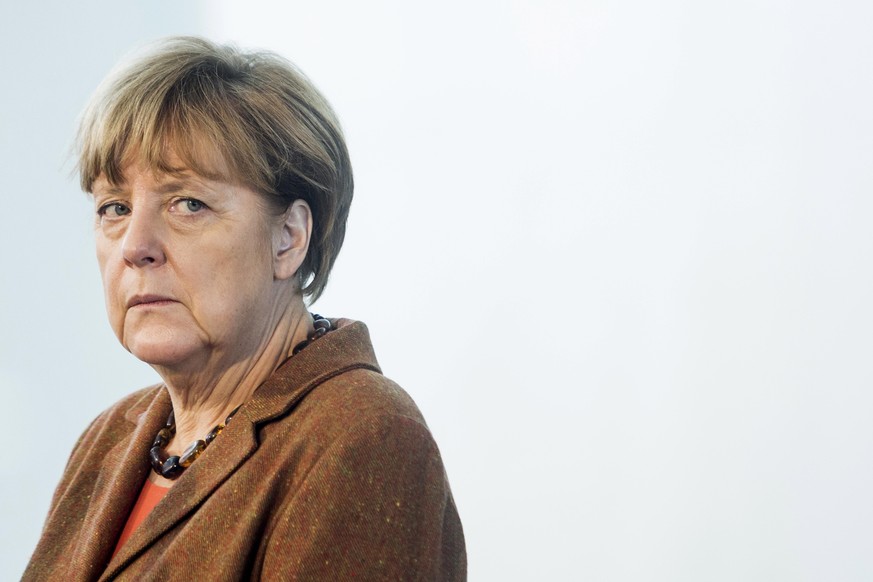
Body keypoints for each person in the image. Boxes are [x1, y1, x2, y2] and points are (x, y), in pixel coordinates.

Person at [24, 36, 465, 581]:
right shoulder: (108, 438)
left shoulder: (362, 436)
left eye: (188, 203)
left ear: (288, 238)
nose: (135, 245)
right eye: (114, 207)